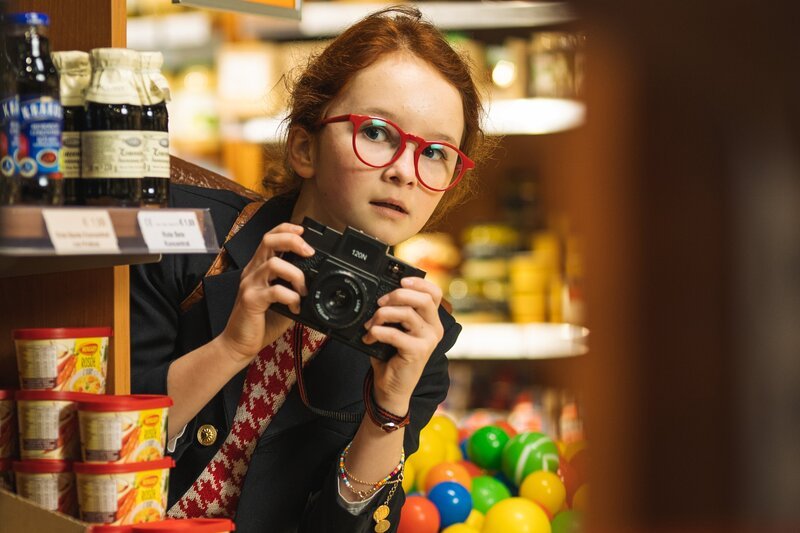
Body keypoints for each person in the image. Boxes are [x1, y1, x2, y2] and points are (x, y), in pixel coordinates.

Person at [131, 6, 490, 532]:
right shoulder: (183, 234)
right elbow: (90, 447)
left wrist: (386, 414)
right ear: (304, 146)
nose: (403, 172)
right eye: (377, 132)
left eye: (435, 151)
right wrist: (231, 348)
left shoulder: (418, 336)